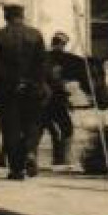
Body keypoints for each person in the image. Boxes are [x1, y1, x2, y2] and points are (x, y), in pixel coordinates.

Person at [0, 3, 48, 179]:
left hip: (8, 91)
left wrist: (13, 81)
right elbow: (42, 64)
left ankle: (16, 170)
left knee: (10, 128)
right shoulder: (35, 35)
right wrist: (32, 82)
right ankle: (30, 152)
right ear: (22, 15)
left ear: (6, 17)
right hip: (33, 90)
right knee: (33, 124)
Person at [42, 31, 93, 167]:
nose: (61, 46)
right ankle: (62, 159)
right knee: (66, 129)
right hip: (54, 100)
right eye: (62, 43)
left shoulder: (44, 57)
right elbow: (58, 83)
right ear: (62, 44)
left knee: (54, 130)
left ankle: (59, 158)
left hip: (46, 100)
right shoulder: (65, 59)